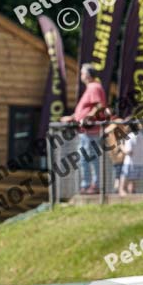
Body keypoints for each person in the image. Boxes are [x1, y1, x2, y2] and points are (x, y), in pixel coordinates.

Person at [61, 64, 107, 195]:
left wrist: (87, 117)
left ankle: (93, 185)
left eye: (82, 73)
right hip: (85, 131)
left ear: (88, 75)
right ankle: (87, 185)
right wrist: (72, 117)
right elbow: (87, 108)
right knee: (85, 159)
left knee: (89, 158)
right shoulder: (91, 87)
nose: (80, 75)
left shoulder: (94, 87)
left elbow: (99, 105)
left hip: (90, 131)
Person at [119, 121, 143, 196]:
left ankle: (122, 192)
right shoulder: (141, 135)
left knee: (124, 177)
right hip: (139, 162)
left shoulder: (130, 136)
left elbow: (128, 151)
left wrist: (121, 146)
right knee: (133, 181)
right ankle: (132, 193)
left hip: (130, 162)